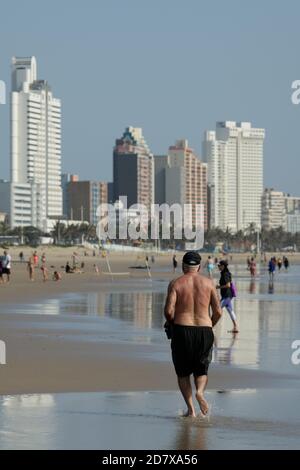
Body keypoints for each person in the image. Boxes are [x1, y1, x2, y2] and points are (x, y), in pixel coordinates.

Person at [164, 251, 222, 417]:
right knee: (201, 369)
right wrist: (209, 324)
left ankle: (191, 410)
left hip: (182, 329)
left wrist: (172, 322)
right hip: (205, 329)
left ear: (183, 266)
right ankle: (200, 393)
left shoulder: (176, 283)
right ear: (199, 267)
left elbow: (168, 311)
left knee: (183, 372)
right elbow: (218, 311)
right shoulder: (209, 283)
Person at [217, 260, 239, 333]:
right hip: (227, 295)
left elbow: (228, 285)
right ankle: (235, 327)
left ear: (223, 266)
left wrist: (218, 287)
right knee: (230, 311)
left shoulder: (225, 274)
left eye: (219, 265)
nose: (218, 267)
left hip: (227, 296)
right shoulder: (225, 273)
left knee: (217, 309)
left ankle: (210, 326)